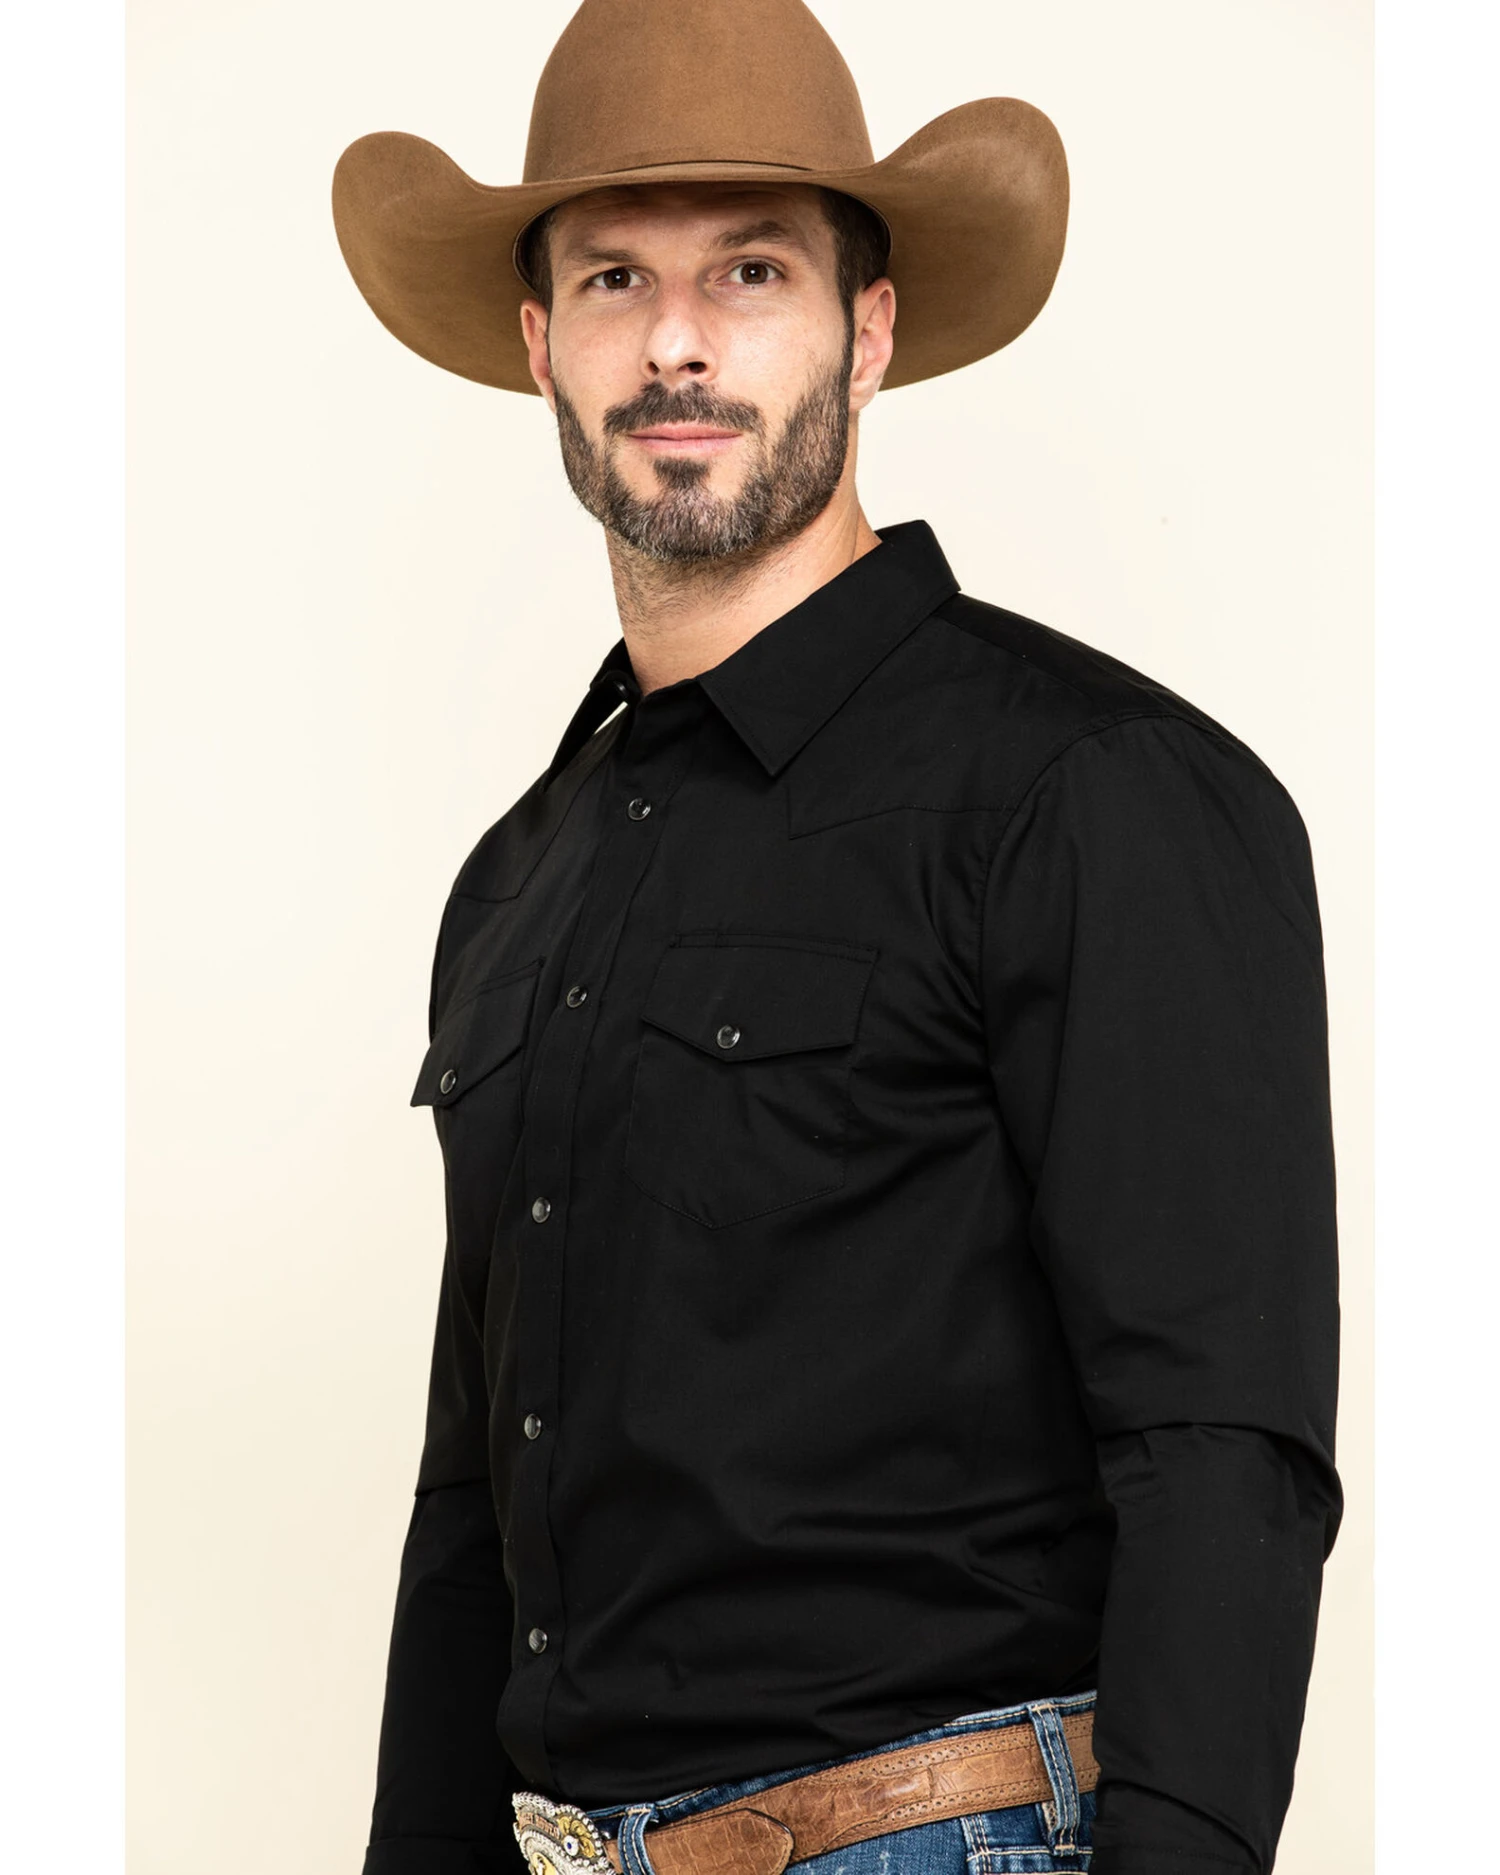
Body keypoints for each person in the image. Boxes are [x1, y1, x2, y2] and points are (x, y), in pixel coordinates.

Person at [331, 3, 1342, 1873]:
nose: (679, 341)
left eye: (753, 270)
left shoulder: (1090, 791)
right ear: (541, 344)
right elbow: (473, 1512)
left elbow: (1222, 1450)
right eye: (616, 277)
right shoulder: (522, 880)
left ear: (869, 332)